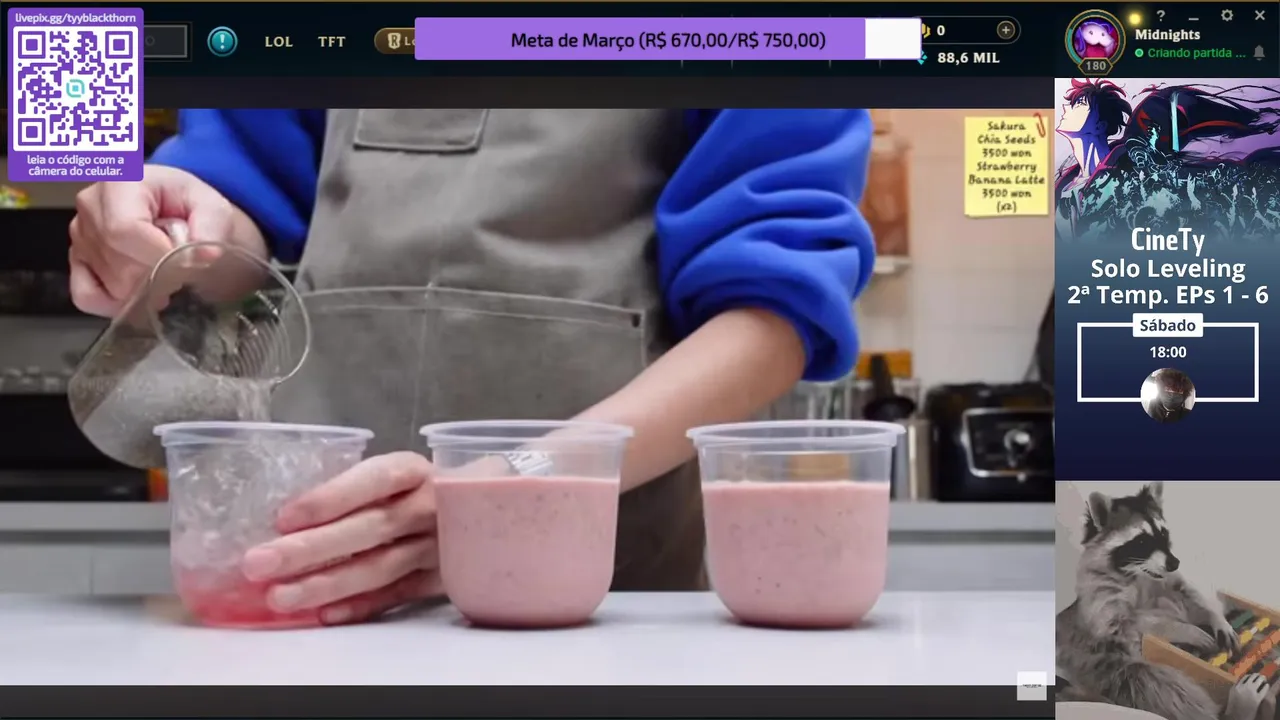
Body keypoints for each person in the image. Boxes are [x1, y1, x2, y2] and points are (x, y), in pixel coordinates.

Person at [69, 109, 876, 624]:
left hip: (596, 614)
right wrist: (177, 224)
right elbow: (247, 206)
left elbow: (776, 315)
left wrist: (517, 486)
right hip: (310, 596)